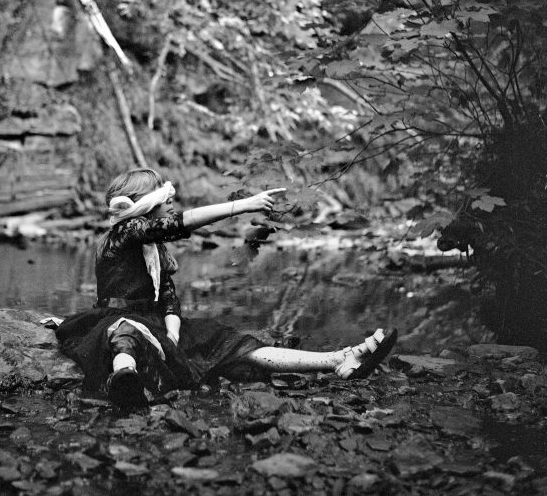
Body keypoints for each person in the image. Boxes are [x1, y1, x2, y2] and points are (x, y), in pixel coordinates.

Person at [56, 167, 397, 412]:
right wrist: (242, 205)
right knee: (126, 330)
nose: (172, 203)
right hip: (118, 318)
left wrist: (173, 334)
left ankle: (338, 359)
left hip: (158, 325)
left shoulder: (154, 252)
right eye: (165, 198)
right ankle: (124, 378)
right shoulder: (124, 232)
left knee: (236, 345)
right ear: (143, 207)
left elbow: (170, 300)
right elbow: (177, 225)